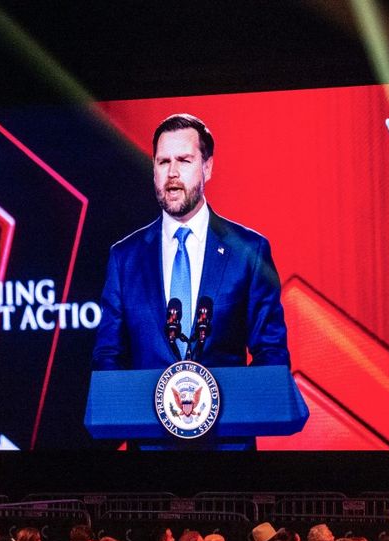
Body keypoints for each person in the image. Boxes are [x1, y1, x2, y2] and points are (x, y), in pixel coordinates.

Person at [92, 113, 289, 372]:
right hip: (146, 400)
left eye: (184, 160)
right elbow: (108, 356)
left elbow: (271, 353)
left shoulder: (249, 252)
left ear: (207, 167)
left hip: (228, 400)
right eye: (163, 162)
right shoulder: (125, 258)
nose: (172, 173)